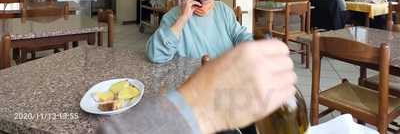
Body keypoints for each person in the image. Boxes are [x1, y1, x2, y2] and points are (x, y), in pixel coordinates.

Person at [97, 40, 297, 134]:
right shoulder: (175, 15)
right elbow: (156, 55)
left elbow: (243, 36)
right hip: (187, 89)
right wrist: (183, 16)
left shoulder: (223, 12)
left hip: (229, 87)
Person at [146, 0, 253, 64]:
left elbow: (239, 35)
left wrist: (255, 46)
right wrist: (183, 18)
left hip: (225, 71)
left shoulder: (222, 9)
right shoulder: (173, 16)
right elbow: (156, 56)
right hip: (192, 77)